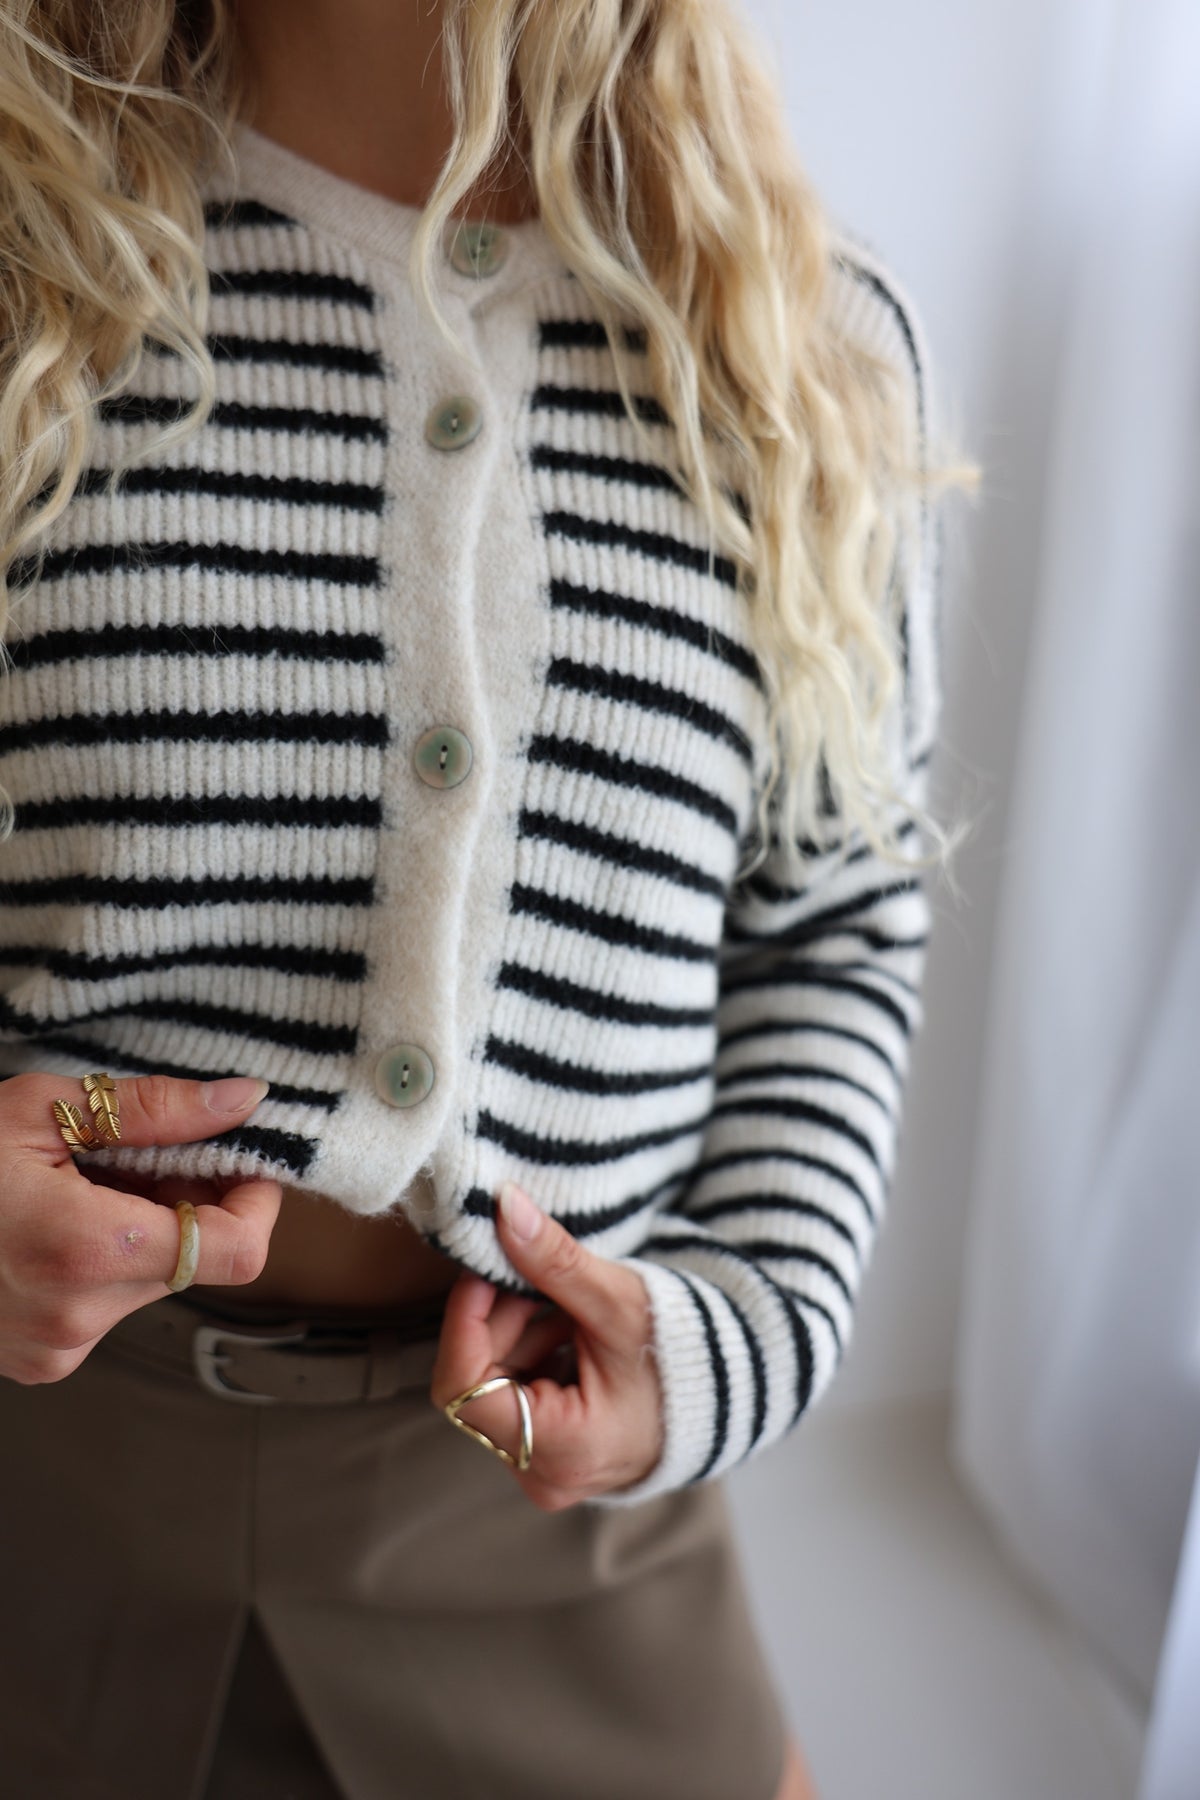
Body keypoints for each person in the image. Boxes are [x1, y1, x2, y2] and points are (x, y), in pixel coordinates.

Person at [0, 2, 948, 1796]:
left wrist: (746, 1334)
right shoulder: (31, 258)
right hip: (40, 1496)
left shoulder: (802, 344)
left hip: (557, 1538)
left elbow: (831, 926)